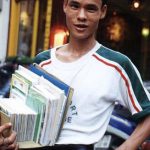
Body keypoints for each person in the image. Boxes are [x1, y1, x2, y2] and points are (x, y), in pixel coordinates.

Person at [34, 0, 150, 149]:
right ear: (65, 6)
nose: (81, 16)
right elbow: (27, 116)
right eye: (75, 6)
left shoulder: (116, 65)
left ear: (102, 11)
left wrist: (126, 147)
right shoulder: (43, 62)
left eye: (90, 9)